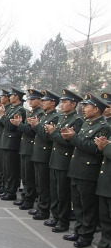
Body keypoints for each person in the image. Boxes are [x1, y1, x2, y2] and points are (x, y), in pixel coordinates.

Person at [62, 93, 111, 248]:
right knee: (77, 204)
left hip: (88, 171)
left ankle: (86, 235)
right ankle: (78, 230)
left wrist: (74, 138)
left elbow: (94, 149)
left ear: (96, 109)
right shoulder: (86, 124)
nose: (83, 109)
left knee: (87, 205)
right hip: (76, 169)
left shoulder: (103, 127)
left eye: (87, 106)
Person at [45, 89, 83, 233]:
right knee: (55, 191)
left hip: (64, 160)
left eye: (65, 102)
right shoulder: (63, 117)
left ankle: (63, 221)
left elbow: (68, 141)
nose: (62, 104)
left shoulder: (77, 120)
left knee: (63, 193)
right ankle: (55, 217)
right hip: (55, 159)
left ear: (74, 104)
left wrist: (53, 133)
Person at [27, 90, 60, 220]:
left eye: (45, 101)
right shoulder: (46, 116)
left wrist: (36, 126)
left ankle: (44, 209)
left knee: (44, 184)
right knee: (39, 183)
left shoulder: (54, 117)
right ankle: (41, 207)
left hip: (45, 153)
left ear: (53, 103)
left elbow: (47, 136)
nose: (43, 102)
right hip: (38, 152)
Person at [13, 89, 44, 210]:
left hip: (31, 147)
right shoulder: (31, 113)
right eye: (29, 99)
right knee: (25, 176)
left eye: (33, 99)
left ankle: (29, 199)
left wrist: (19, 125)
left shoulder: (40, 114)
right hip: (25, 147)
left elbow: (32, 131)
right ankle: (25, 197)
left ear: (39, 100)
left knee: (30, 177)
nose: (30, 101)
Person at [0, 88, 26, 201]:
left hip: (12, 142)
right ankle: (6, 189)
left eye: (12, 95)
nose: (10, 97)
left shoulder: (20, 110)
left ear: (17, 97)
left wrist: (2, 115)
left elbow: (10, 126)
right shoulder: (11, 109)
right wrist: (2, 116)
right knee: (6, 168)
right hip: (5, 141)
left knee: (11, 170)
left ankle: (11, 191)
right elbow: (2, 123)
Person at [90, 131, 111, 248]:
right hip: (106, 182)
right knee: (105, 219)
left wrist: (105, 147)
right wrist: (101, 146)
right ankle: (103, 247)